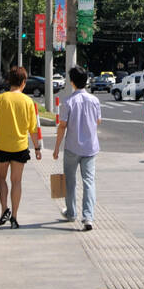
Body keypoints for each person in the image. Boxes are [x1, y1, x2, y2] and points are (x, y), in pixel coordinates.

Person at [0, 65, 41, 228]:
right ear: (23, 82)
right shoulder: (28, 101)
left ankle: (4, 210)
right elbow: (33, 128)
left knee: (1, 179)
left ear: (9, 81)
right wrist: (36, 148)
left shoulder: (0, 99)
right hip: (20, 147)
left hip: (2, 146)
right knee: (17, 181)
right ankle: (14, 217)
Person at [53, 65, 101, 231]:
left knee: (70, 181)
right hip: (90, 148)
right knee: (89, 181)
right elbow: (98, 121)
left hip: (72, 148)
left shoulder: (68, 102)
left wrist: (56, 148)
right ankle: (88, 217)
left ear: (71, 82)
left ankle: (71, 212)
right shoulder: (95, 101)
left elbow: (62, 126)